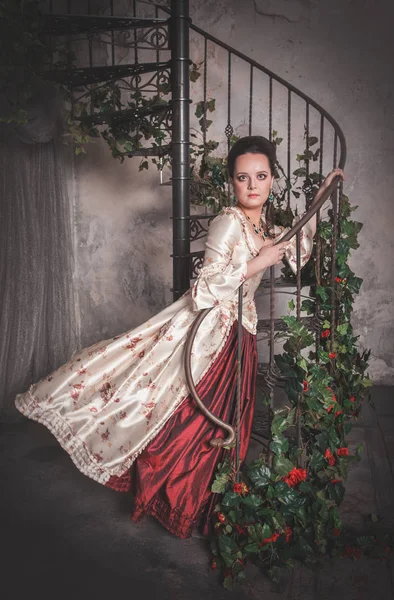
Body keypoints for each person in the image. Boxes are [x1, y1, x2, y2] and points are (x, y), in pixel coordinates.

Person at [15, 136, 344, 539]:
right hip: (209, 332)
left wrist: (319, 202)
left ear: (273, 180)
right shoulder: (228, 221)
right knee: (191, 418)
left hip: (240, 332)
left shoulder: (265, 225)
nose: (252, 185)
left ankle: (212, 500)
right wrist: (255, 262)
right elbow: (204, 289)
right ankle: (176, 498)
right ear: (232, 183)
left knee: (226, 421)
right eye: (243, 178)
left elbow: (297, 253)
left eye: (260, 176)